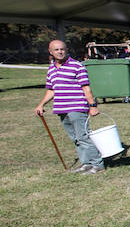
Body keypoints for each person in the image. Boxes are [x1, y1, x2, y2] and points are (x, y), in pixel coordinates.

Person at [33, 40, 105, 174]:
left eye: (62, 49)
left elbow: (86, 88)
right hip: (61, 108)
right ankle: (86, 163)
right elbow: (51, 90)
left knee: (83, 137)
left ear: (66, 50)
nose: (60, 52)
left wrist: (92, 106)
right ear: (51, 52)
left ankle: (97, 164)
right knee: (75, 138)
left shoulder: (77, 66)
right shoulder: (51, 68)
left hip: (77, 107)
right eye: (56, 50)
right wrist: (41, 104)